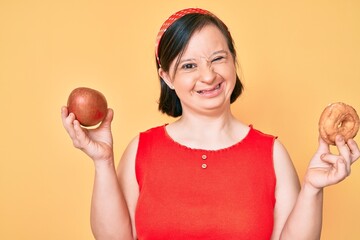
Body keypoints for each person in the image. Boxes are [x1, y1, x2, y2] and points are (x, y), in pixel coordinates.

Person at [61, 8, 360, 240]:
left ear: (232, 61)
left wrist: (312, 189)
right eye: (189, 65)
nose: (208, 76)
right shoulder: (142, 149)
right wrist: (102, 162)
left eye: (218, 58)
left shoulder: (272, 153)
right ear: (166, 76)